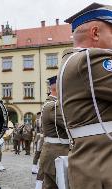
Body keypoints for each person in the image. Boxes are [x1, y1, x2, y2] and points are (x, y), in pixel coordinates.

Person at [57, 3, 112, 189]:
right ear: (95, 33)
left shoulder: (73, 60)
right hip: (103, 165)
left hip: (93, 163)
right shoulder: (91, 60)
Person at [38, 76, 69, 189]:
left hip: (53, 151)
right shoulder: (53, 106)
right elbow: (71, 126)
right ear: (58, 88)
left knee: (49, 185)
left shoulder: (51, 104)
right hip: (57, 151)